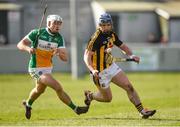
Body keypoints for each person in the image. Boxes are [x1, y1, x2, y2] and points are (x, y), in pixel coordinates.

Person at [83, 13, 156, 119]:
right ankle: (91, 96)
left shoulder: (112, 34)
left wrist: (132, 55)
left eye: (108, 25)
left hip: (111, 67)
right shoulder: (95, 38)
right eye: (104, 25)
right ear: (99, 25)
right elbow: (86, 57)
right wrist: (93, 70)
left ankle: (142, 111)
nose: (106, 27)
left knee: (129, 87)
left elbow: (123, 46)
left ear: (111, 24)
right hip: (99, 73)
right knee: (108, 99)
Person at [17, 14, 88, 119]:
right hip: (35, 68)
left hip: (47, 68)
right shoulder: (37, 33)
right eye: (55, 23)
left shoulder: (59, 38)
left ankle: (28, 104)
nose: (57, 25)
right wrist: (29, 49)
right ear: (49, 23)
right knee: (57, 87)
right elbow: (20, 44)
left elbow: (65, 59)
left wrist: (59, 53)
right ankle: (75, 108)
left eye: (59, 23)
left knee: (39, 90)